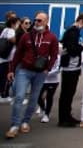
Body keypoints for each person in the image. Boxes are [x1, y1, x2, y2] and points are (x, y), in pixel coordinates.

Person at [5, 11, 59, 139]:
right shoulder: (26, 36)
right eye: (35, 20)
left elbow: (54, 55)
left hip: (40, 73)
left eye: (39, 20)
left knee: (34, 99)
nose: (36, 22)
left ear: (46, 21)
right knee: (19, 96)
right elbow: (17, 54)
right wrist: (11, 70)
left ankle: (25, 122)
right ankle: (15, 125)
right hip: (24, 70)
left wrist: (48, 68)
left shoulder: (52, 37)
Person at [58, 12, 83, 127]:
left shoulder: (72, 31)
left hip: (73, 67)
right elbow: (72, 49)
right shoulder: (73, 31)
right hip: (70, 67)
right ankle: (63, 118)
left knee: (69, 93)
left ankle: (67, 116)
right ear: (81, 21)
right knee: (67, 93)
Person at [0, 16, 19, 103]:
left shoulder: (5, 30)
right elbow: (13, 40)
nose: (18, 25)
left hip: (3, 57)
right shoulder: (11, 31)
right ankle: (4, 95)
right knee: (6, 77)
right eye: (18, 23)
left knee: (3, 76)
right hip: (8, 58)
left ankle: (3, 94)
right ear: (13, 24)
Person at [36, 53, 59, 123]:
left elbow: (58, 68)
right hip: (41, 80)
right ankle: (43, 109)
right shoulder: (41, 55)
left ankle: (46, 115)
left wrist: (48, 72)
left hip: (53, 81)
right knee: (37, 96)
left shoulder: (57, 57)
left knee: (49, 97)